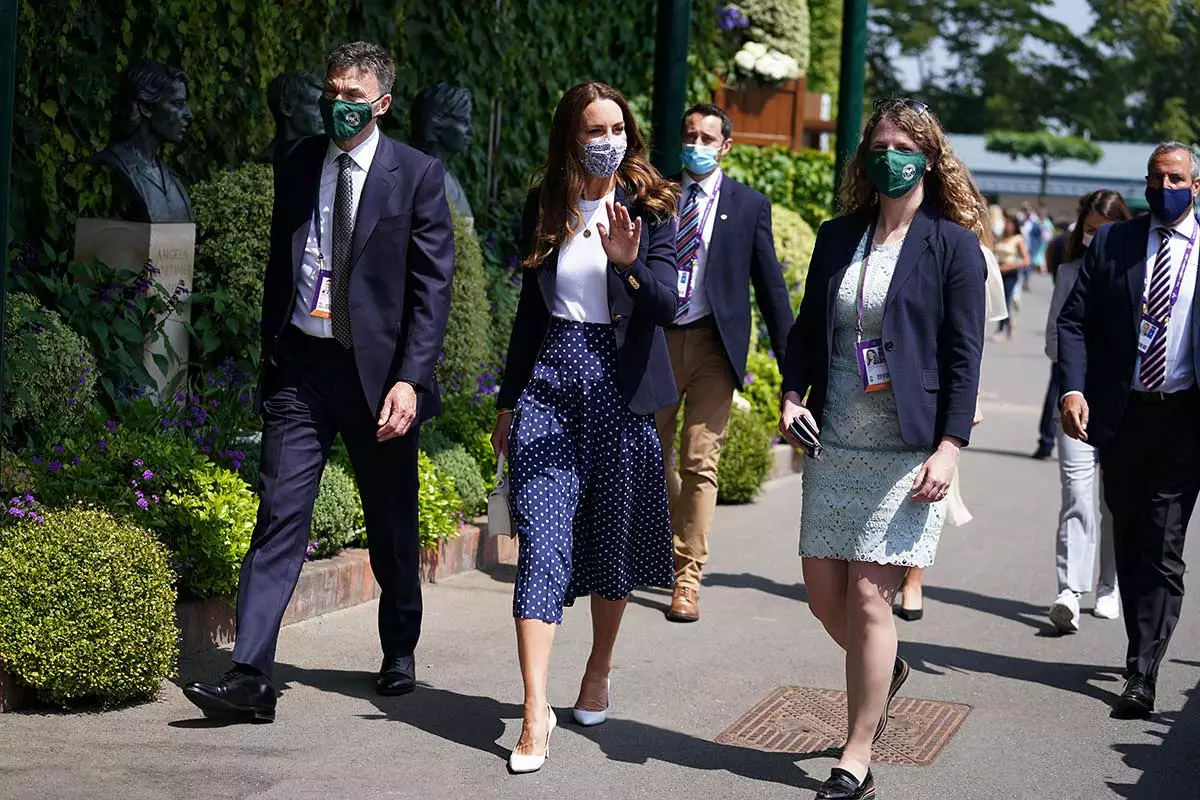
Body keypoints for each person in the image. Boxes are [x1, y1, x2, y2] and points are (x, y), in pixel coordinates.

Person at [183, 41, 455, 722]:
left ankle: (398, 649)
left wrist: (412, 382)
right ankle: (249, 675)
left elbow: (432, 290)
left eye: (353, 96)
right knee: (279, 515)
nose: (338, 104)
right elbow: (287, 256)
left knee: (391, 521)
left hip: (379, 379)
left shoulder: (416, 175)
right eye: (333, 91)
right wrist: (272, 346)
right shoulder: (300, 160)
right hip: (303, 366)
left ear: (382, 103)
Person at [779, 98, 986, 799]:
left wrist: (950, 446)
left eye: (902, 145)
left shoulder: (953, 244)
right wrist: (790, 395)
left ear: (927, 156)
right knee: (820, 592)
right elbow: (809, 329)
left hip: (905, 446)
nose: (888, 156)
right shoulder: (840, 237)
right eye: (878, 146)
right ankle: (886, 666)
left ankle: (855, 757)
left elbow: (965, 354)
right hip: (835, 439)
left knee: (870, 598)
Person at [490, 81, 678, 774]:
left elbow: (666, 304)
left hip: (622, 393)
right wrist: (507, 404)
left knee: (609, 542)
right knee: (542, 542)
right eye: (594, 128)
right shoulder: (545, 206)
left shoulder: (654, 207)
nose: (609, 138)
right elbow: (529, 315)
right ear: (572, 138)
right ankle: (535, 710)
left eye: (618, 126)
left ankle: (598, 668)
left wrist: (629, 266)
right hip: (550, 386)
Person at [1058, 141, 1200, 719]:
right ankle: (1141, 647)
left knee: (1163, 543)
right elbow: (1073, 319)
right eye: (1155, 177)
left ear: (1195, 187)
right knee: (1131, 531)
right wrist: (1073, 389)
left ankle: (1143, 670)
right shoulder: (1115, 241)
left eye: (1176, 178)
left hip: (1186, 415)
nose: (1163, 187)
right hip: (1121, 414)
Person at [654, 102, 793, 623]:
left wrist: (792, 374)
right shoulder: (657, 194)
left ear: (725, 146)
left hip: (715, 345)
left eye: (707, 138)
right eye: (689, 135)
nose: (697, 144)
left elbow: (772, 289)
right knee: (650, 453)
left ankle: (687, 577)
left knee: (699, 461)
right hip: (660, 342)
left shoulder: (749, 204)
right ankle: (667, 543)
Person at [1044, 190, 1129, 633]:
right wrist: (1076, 375)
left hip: (1121, 404)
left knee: (1114, 499)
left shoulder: (1136, 272)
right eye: (1091, 230)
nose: (1097, 239)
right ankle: (1070, 591)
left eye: (1107, 231)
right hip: (1076, 399)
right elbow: (1054, 338)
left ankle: (1110, 585)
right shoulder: (1068, 273)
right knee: (1075, 494)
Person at [1033, 201, 1083, 460]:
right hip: (1067, 340)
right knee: (1059, 387)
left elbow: (1052, 265)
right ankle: (1047, 438)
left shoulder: (1059, 241)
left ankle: (1045, 439)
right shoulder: (1068, 245)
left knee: (1055, 388)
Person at [993, 211, 1031, 340]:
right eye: (1006, 222)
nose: (1007, 225)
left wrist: (1009, 266)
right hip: (998, 270)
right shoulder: (1001, 238)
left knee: (1006, 299)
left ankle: (1003, 327)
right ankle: (1005, 325)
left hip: (1010, 272)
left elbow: (1026, 260)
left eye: (1010, 223)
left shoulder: (1018, 239)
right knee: (998, 299)